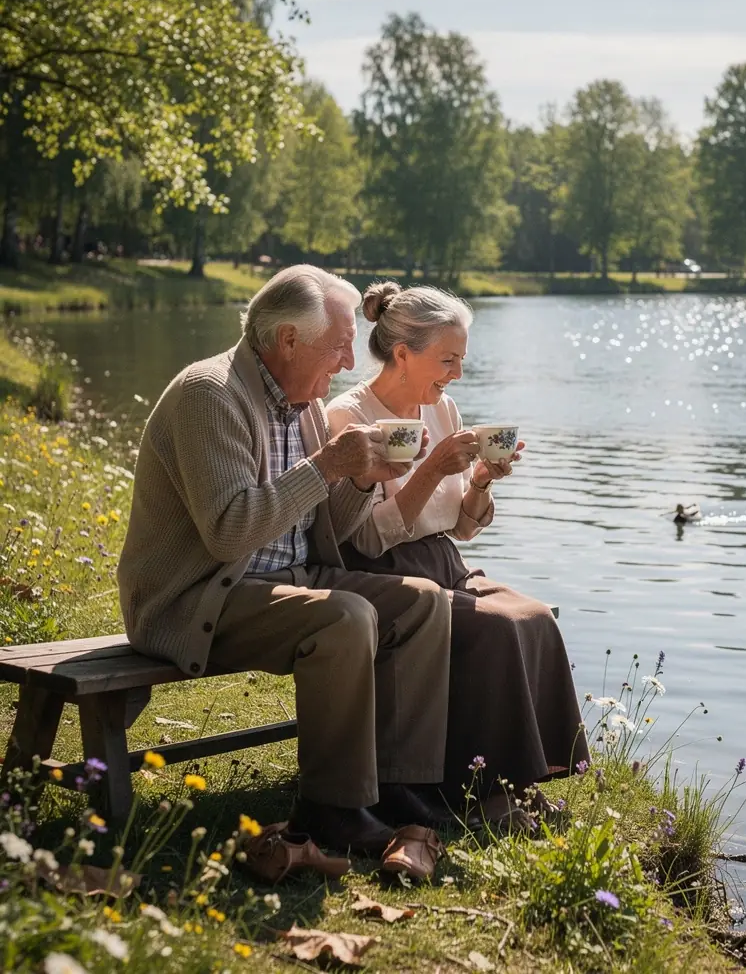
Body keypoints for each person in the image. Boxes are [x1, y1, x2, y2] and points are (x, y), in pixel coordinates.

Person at [117, 265, 454, 862]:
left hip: (285, 583)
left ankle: (402, 787)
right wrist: (327, 466)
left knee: (422, 601)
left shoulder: (305, 403)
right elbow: (229, 533)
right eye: (339, 345)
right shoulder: (209, 394)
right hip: (201, 597)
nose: (349, 362)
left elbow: (328, 527)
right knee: (345, 617)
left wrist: (358, 478)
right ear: (289, 340)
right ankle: (335, 810)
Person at [327, 281, 589, 814]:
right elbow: (365, 536)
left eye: (461, 360)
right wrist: (430, 468)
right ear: (403, 353)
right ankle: (479, 794)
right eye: (447, 360)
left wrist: (482, 479)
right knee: (495, 628)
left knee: (535, 616)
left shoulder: (443, 410)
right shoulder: (348, 417)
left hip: (444, 559)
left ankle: (520, 780)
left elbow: (462, 528)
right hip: (384, 573)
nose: (457, 375)